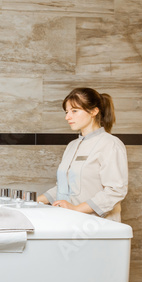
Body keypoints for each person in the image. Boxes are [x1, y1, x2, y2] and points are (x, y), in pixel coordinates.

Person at [41, 88, 128, 222]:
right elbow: (63, 188)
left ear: (94, 111)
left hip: (97, 227)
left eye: (74, 111)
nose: (67, 117)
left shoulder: (110, 144)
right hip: (68, 222)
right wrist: (30, 200)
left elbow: (115, 191)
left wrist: (76, 209)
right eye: (67, 112)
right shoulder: (72, 146)